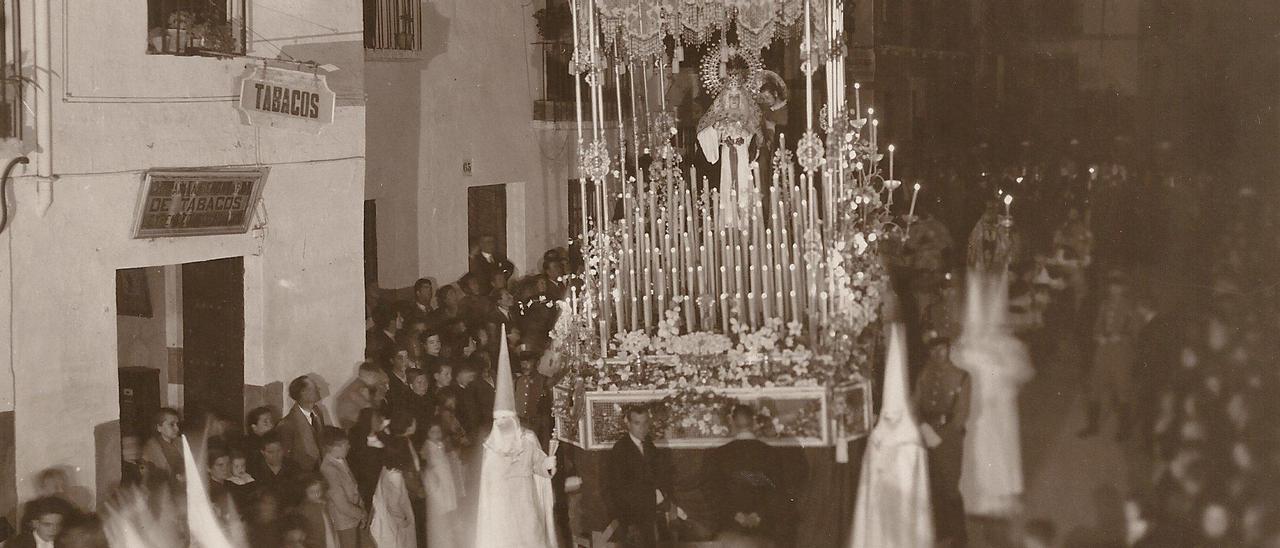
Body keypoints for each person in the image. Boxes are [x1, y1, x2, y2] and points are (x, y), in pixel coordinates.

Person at [953, 272, 1033, 518]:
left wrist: (1005, 380)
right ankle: (977, 498)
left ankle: (1001, 496)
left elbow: (1022, 372)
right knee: (977, 450)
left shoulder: (1007, 347)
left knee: (1000, 450)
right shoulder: (966, 348)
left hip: (1000, 408)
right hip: (976, 409)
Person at [851, 324, 934, 548]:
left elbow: (911, 482)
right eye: (887, 414)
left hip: (903, 510)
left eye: (895, 414)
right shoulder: (877, 438)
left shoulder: (912, 443)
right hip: (880, 507)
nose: (890, 419)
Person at [474, 329, 558, 548]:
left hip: (525, 501)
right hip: (502, 507)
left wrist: (547, 465)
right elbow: (487, 486)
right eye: (499, 421)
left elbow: (538, 465)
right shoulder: (491, 448)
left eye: (507, 420)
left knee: (530, 537)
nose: (504, 426)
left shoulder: (528, 439)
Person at [913, 334, 972, 547]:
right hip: (926, 434)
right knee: (932, 484)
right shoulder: (924, 375)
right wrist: (924, 429)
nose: (937, 354)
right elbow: (915, 405)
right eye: (933, 350)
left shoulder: (962, 377)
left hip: (949, 440)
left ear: (948, 350)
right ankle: (940, 531)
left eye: (942, 349)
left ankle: (959, 535)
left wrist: (943, 437)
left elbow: (961, 415)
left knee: (950, 485)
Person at [703, 404, 790, 546]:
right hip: (764, 526)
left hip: (729, 526)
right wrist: (758, 515)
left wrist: (735, 515)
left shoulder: (718, 454)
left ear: (731, 421)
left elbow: (713, 491)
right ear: (754, 421)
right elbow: (778, 491)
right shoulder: (771, 453)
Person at [1079, 272, 1142, 441]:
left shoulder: (1130, 307)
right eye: (1112, 286)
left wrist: (1121, 337)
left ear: (1124, 289)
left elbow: (1137, 332)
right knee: (1094, 388)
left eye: (1118, 286)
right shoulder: (1104, 305)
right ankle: (1092, 426)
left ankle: (1125, 430)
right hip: (1103, 351)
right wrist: (1098, 335)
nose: (1114, 289)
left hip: (1121, 353)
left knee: (1122, 391)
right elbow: (1097, 326)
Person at [604, 407, 674, 548]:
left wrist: (662, 496)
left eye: (645, 423)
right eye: (637, 423)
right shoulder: (621, 449)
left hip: (650, 513)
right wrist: (628, 522)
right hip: (632, 517)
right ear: (628, 424)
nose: (642, 428)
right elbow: (617, 490)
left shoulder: (648, 445)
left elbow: (656, 476)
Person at [370, 422, 419, 548]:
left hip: (385, 511)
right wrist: (404, 520)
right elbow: (393, 506)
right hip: (394, 519)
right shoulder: (395, 477)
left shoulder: (387, 468)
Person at [319, 427, 367, 548]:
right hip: (344, 523)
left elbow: (354, 486)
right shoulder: (328, 469)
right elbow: (341, 504)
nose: (349, 446)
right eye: (345, 444)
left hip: (354, 518)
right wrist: (361, 514)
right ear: (333, 448)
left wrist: (362, 508)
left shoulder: (341, 459)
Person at [421, 420, 463, 548]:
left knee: (448, 507)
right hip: (437, 482)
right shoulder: (427, 446)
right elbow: (425, 465)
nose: (436, 434)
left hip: (446, 480)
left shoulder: (441, 444)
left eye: (438, 431)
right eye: (433, 432)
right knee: (440, 511)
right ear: (427, 433)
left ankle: (449, 537)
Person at [278, 375, 330, 471]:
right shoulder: (287, 423)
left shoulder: (317, 413)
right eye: (314, 387)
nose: (318, 389)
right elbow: (286, 458)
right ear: (303, 393)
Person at [252, 432, 302, 507]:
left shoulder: (293, 467)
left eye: (279, 451)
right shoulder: (255, 471)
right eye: (270, 452)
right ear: (262, 452)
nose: (276, 455)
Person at [336, 362, 388, 431]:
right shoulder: (360, 390)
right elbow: (374, 422)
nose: (377, 381)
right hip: (354, 429)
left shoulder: (357, 385)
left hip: (355, 426)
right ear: (370, 375)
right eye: (376, 377)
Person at [5, 496, 73, 548]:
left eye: (58, 525)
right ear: (35, 523)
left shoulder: (62, 545)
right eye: (47, 525)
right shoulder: (17, 544)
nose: (53, 530)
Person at [140, 407, 184, 486]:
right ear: (159, 428)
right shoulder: (151, 447)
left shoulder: (180, 442)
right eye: (172, 424)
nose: (177, 429)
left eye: (177, 424)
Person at [298, 474, 341, 548]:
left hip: (328, 535)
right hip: (315, 541)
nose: (316, 494)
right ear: (305, 492)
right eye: (312, 492)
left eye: (319, 490)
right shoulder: (305, 508)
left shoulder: (324, 503)